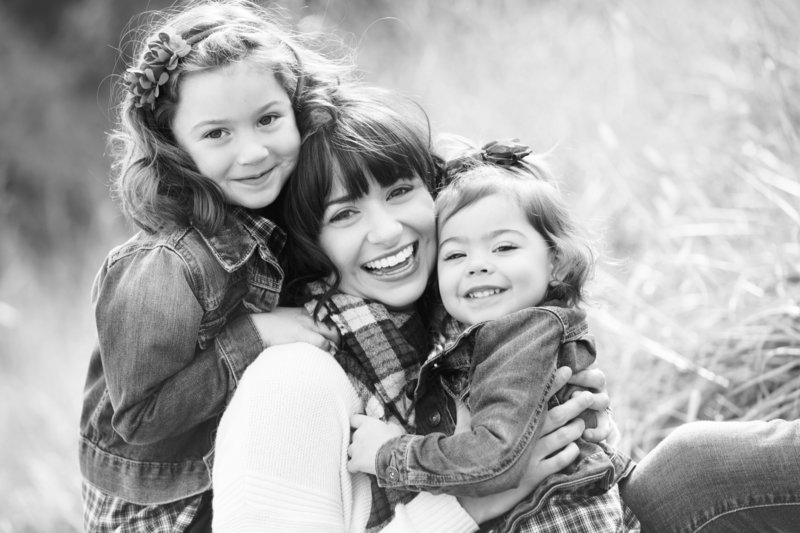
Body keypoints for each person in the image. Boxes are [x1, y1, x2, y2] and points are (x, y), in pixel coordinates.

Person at [211, 85, 615, 532]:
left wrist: (578, 421)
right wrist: (470, 504)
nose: (386, 232)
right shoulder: (293, 380)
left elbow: (579, 477)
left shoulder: (453, 327)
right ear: (310, 246)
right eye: (344, 214)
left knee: (698, 457)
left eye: (400, 190)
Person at [78, 1, 345, 530]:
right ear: (172, 144)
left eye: (268, 119)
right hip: (167, 506)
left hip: (245, 464)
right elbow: (138, 418)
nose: (252, 152)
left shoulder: (286, 199)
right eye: (217, 134)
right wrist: (255, 336)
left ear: (297, 108)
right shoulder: (167, 264)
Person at [345, 137, 639, 532]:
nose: (477, 265)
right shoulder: (474, 334)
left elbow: (493, 458)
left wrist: (389, 453)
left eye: (503, 247)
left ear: (555, 261)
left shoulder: (525, 333)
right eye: (455, 255)